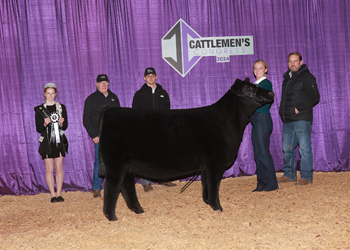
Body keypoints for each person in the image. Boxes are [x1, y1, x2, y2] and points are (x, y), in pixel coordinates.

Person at [277, 52, 320, 185]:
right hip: (288, 119)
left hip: (301, 118)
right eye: (290, 61)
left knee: (304, 149)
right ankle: (289, 174)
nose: (292, 64)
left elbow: (315, 96)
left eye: (295, 61)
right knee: (287, 148)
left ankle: (306, 176)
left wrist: (299, 108)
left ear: (301, 63)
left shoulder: (307, 77)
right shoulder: (287, 78)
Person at [132, 67, 177, 192]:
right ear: (144, 78)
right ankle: (146, 182)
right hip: (146, 130)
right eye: (148, 76)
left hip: (162, 129)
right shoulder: (139, 94)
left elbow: (168, 112)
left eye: (153, 75)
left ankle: (164, 178)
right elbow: (135, 113)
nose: (151, 77)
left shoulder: (163, 93)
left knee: (163, 154)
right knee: (146, 155)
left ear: (156, 77)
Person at [83, 74, 120, 198]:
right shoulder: (91, 99)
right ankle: (97, 188)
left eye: (105, 83)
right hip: (99, 134)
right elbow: (86, 119)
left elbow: (119, 115)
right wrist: (93, 134)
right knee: (100, 161)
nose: (103, 85)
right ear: (96, 84)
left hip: (113, 134)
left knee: (115, 161)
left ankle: (114, 186)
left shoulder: (114, 97)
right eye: (101, 83)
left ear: (108, 84)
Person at [35, 83, 68, 203]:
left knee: (59, 168)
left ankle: (59, 193)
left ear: (56, 94)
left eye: (52, 93)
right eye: (48, 93)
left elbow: (66, 126)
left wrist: (62, 123)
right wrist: (44, 123)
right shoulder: (39, 110)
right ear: (44, 94)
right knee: (49, 169)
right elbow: (38, 128)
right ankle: (52, 195)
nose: (50, 95)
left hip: (58, 140)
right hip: (46, 142)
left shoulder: (61, 108)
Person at [250, 60, 279, 192]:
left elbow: (260, 99)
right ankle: (261, 183)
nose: (257, 71)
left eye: (260, 68)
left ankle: (271, 184)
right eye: (255, 69)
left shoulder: (266, 83)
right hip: (256, 120)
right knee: (257, 153)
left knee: (263, 152)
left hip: (262, 118)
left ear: (265, 70)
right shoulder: (254, 84)